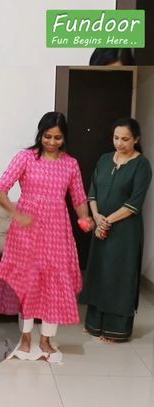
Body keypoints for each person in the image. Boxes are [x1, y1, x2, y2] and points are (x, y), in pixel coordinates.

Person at [0, 112, 92, 362]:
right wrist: (17, 213)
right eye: (47, 136)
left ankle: (46, 338)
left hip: (57, 230)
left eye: (58, 137)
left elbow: (78, 198)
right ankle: (25, 337)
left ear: (64, 138)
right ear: (40, 134)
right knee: (26, 283)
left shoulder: (70, 164)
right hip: (26, 231)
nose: (52, 142)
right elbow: (0, 190)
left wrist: (85, 217)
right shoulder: (25, 158)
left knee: (54, 283)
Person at [81, 117, 152, 342]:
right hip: (101, 226)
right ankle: (94, 324)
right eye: (116, 138)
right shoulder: (103, 160)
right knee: (99, 273)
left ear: (136, 139)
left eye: (125, 139)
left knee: (119, 276)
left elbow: (135, 202)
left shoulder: (142, 165)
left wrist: (107, 221)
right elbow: (92, 191)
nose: (119, 143)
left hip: (125, 232)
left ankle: (116, 330)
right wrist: (96, 216)